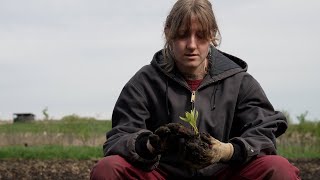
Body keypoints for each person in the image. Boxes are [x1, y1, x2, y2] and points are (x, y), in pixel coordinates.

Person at [90, 0, 300, 179]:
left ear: (212, 35)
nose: (191, 44)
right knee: (108, 169)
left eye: (200, 35)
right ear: (168, 33)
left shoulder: (240, 82)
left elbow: (264, 131)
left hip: (224, 173)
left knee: (279, 169)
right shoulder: (144, 82)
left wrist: (226, 151)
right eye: (182, 35)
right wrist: (151, 144)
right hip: (162, 174)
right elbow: (120, 137)